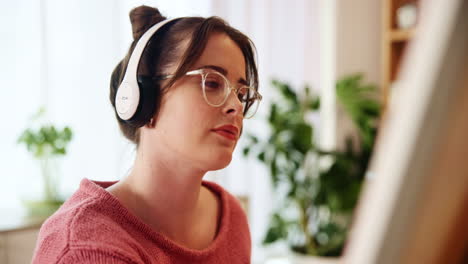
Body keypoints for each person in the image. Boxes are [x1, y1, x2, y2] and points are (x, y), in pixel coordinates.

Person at [32, 5, 261, 264]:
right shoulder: (87, 250)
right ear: (143, 99)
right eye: (211, 82)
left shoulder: (230, 218)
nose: (236, 106)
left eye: (242, 94)